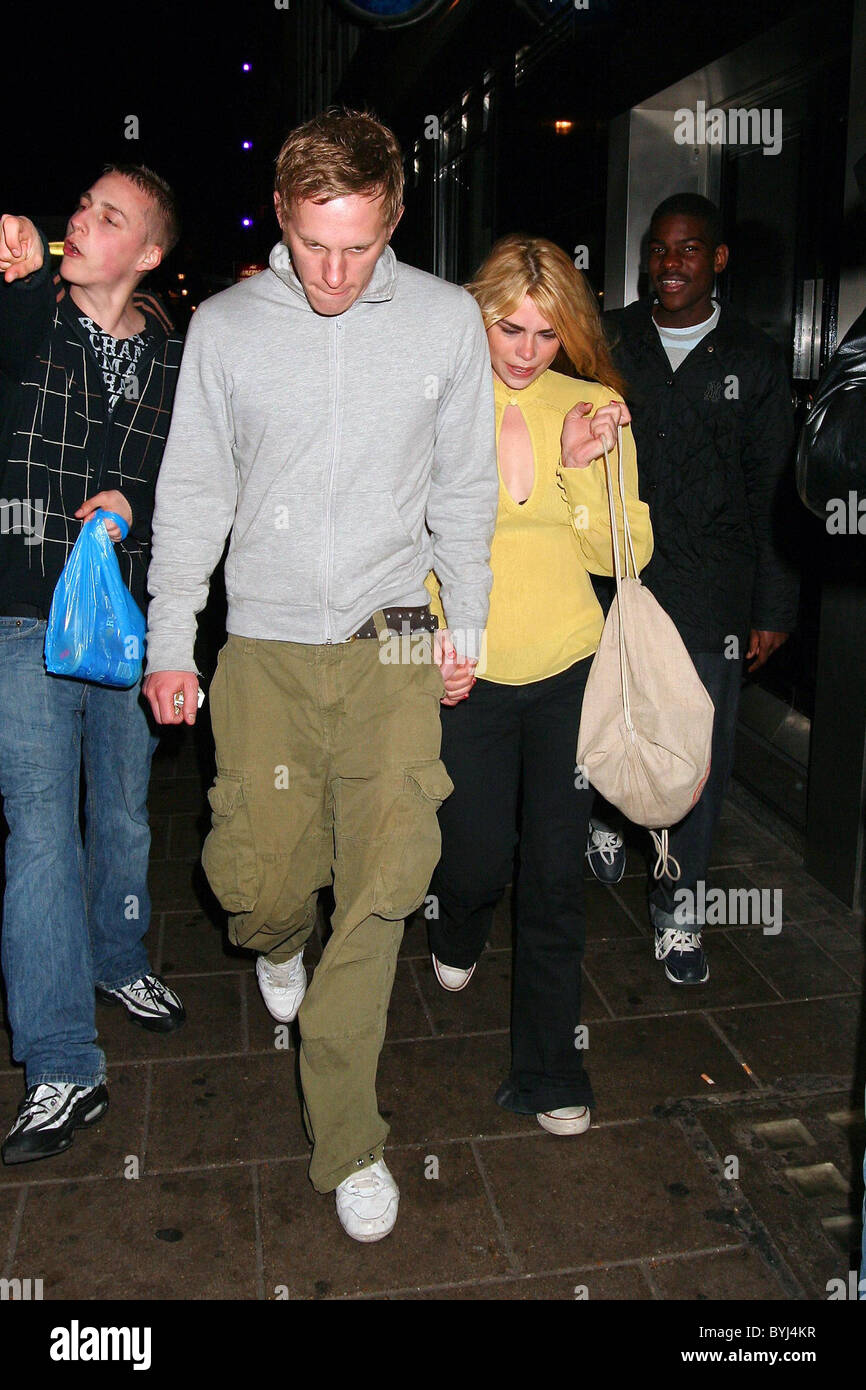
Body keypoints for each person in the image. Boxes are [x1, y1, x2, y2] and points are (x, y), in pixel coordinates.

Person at [141, 108, 499, 1243]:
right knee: (257, 883)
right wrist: (167, 641)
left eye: (356, 244)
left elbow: (464, 489)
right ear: (281, 222)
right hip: (266, 639)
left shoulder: (445, 322)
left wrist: (464, 625)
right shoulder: (226, 326)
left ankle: (347, 1138)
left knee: (390, 873)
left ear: (392, 216)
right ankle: (280, 942)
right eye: (310, 246)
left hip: (395, 626)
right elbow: (194, 494)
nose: (334, 272)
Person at [426, 234, 653, 1134]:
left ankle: (552, 1071)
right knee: (474, 857)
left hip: (569, 669)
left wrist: (578, 464)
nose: (525, 351)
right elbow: (402, 547)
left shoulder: (595, 404)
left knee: (557, 876)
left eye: (546, 335)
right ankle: (457, 923)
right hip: (466, 673)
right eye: (507, 328)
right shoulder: (436, 400)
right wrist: (429, 643)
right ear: (475, 316)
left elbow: (626, 554)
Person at [0, 166, 186, 1166]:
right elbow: (11, 345)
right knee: (39, 830)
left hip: (128, 618)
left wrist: (132, 509)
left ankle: (117, 955)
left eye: (108, 218)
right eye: (80, 206)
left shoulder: (169, 353)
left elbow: (193, 476)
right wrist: (27, 284)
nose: (80, 220)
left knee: (120, 808)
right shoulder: (29, 321)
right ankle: (63, 1063)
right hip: (22, 611)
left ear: (149, 253)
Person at [605, 192, 799, 984]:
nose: (670, 263)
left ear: (717, 260)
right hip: (614, 580)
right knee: (612, 722)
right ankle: (607, 817)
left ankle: (678, 902)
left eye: (687, 249)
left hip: (712, 596)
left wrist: (772, 607)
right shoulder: (612, 339)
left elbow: (772, 492)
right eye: (658, 249)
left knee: (698, 755)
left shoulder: (753, 359)